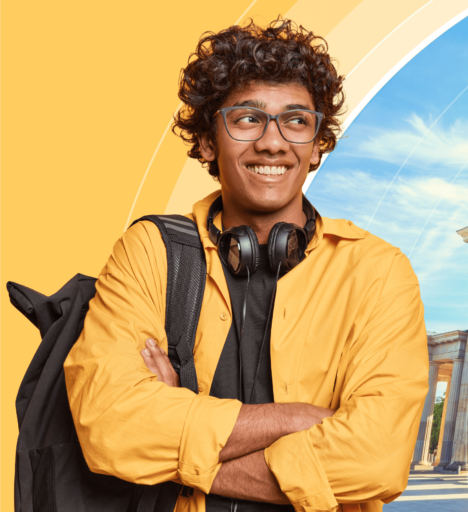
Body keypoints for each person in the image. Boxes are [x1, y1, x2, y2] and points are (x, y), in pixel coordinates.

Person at [63, 18, 428, 512]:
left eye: (296, 121)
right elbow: (110, 426)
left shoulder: (379, 272)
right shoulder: (150, 251)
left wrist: (179, 440)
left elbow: (375, 461)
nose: (273, 142)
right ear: (209, 141)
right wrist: (294, 418)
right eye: (247, 119)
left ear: (317, 144)